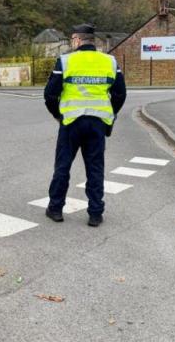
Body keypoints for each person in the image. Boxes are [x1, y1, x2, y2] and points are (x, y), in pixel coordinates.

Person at [44, 23, 127, 227]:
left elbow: (50, 94)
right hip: (98, 123)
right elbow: (120, 93)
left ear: (78, 40)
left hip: (71, 122)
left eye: (73, 39)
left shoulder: (66, 61)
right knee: (95, 168)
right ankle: (95, 213)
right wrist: (111, 114)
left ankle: (55, 209)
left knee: (63, 166)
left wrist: (59, 115)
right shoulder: (110, 61)